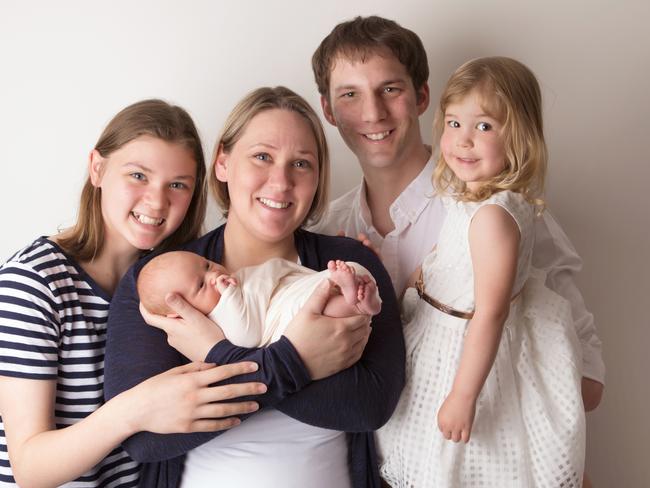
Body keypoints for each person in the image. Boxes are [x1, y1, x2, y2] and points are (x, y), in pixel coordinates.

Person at [310, 17, 603, 481]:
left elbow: (585, 386)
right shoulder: (328, 232)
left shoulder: (500, 213)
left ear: (422, 97)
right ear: (328, 109)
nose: (372, 113)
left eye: (390, 89)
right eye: (349, 94)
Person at [103, 86, 404, 488]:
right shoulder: (164, 278)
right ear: (223, 163)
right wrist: (298, 362)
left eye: (301, 163)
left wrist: (217, 355)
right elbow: (145, 439)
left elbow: (371, 405)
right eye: (262, 156)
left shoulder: (347, 268)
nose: (280, 181)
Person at [0, 100, 266, 487]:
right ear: (98, 169)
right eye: (138, 176)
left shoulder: (185, 284)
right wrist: (136, 409)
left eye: (177, 185)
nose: (157, 201)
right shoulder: (34, 283)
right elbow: (29, 467)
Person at [376, 56, 585, 486]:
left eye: (484, 126)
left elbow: (489, 312)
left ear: (519, 137)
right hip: (441, 332)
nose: (463, 140)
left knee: (460, 464)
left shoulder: (493, 215)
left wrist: (463, 395)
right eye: (454, 123)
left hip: (463, 353)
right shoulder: (470, 199)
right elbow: (453, 264)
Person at [137, 250, 381, 347]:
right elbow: (247, 335)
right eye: (201, 285)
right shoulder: (216, 319)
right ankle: (358, 301)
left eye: (207, 265)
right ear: (180, 312)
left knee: (352, 268)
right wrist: (231, 294)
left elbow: (273, 279)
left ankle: (365, 300)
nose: (213, 275)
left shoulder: (233, 279)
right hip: (290, 320)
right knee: (329, 312)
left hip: (296, 293)